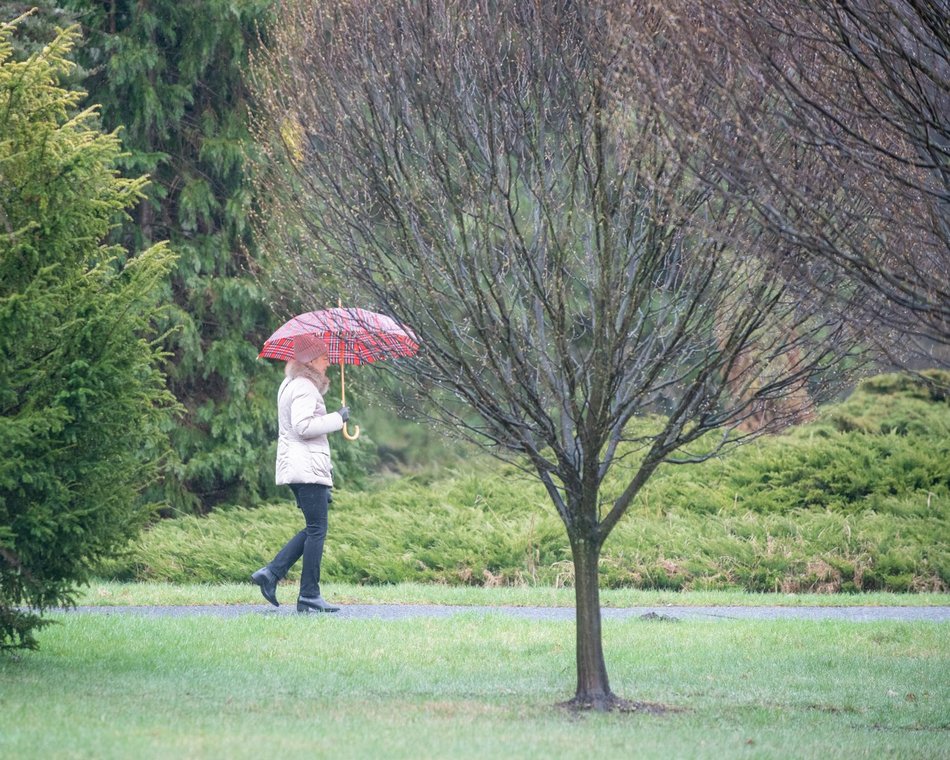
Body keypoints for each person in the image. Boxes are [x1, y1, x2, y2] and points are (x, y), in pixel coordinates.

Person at [251, 333, 349, 613]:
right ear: (309, 360)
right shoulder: (305, 386)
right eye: (324, 358)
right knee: (318, 530)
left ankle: (271, 574)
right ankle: (308, 594)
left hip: (299, 466)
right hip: (306, 466)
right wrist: (337, 418)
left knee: (313, 528)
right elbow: (304, 426)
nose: (329, 363)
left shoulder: (290, 383)